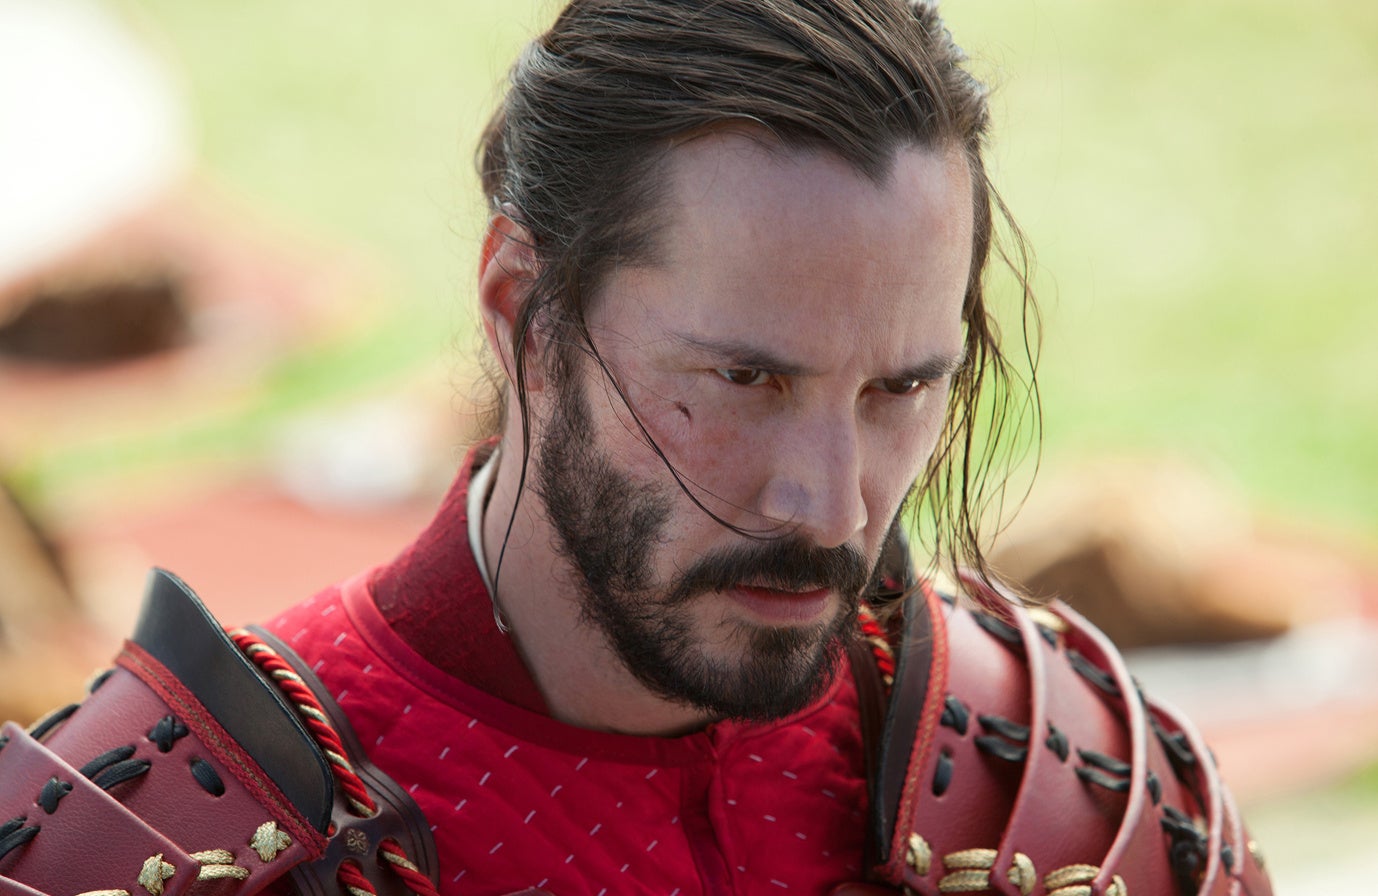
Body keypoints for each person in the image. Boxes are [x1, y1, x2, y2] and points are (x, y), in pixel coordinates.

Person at [0, 2, 1273, 895]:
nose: (830, 504)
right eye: (744, 379)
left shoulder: (1067, 803)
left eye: (900, 388)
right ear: (522, 311)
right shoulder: (146, 845)